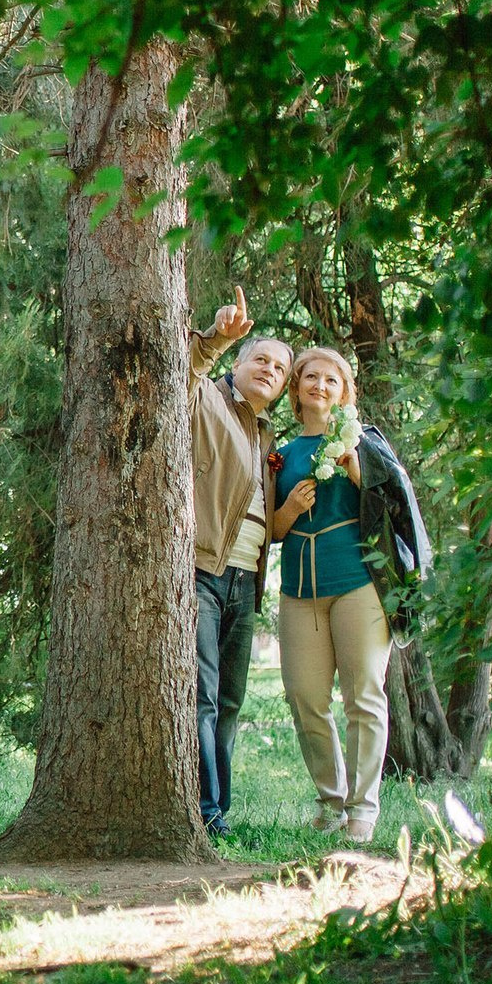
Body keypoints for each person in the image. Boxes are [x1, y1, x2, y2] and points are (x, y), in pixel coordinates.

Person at [268, 345, 428, 843]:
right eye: (309, 377)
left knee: (364, 696)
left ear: (343, 393)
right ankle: (329, 801)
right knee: (305, 698)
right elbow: (269, 530)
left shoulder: (364, 443)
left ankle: (362, 809)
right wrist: (291, 510)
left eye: (330, 380)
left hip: (358, 582)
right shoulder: (280, 453)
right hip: (299, 590)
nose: (319, 385)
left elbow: (395, 504)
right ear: (295, 389)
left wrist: (355, 467)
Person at [187, 289, 290, 840]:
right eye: (260, 359)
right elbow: (177, 371)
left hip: (247, 583)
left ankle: (220, 805)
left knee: (229, 700)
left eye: (279, 367)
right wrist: (215, 338)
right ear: (239, 363)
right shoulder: (206, 398)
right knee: (201, 693)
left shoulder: (266, 435)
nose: (269, 370)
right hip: (203, 571)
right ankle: (206, 813)